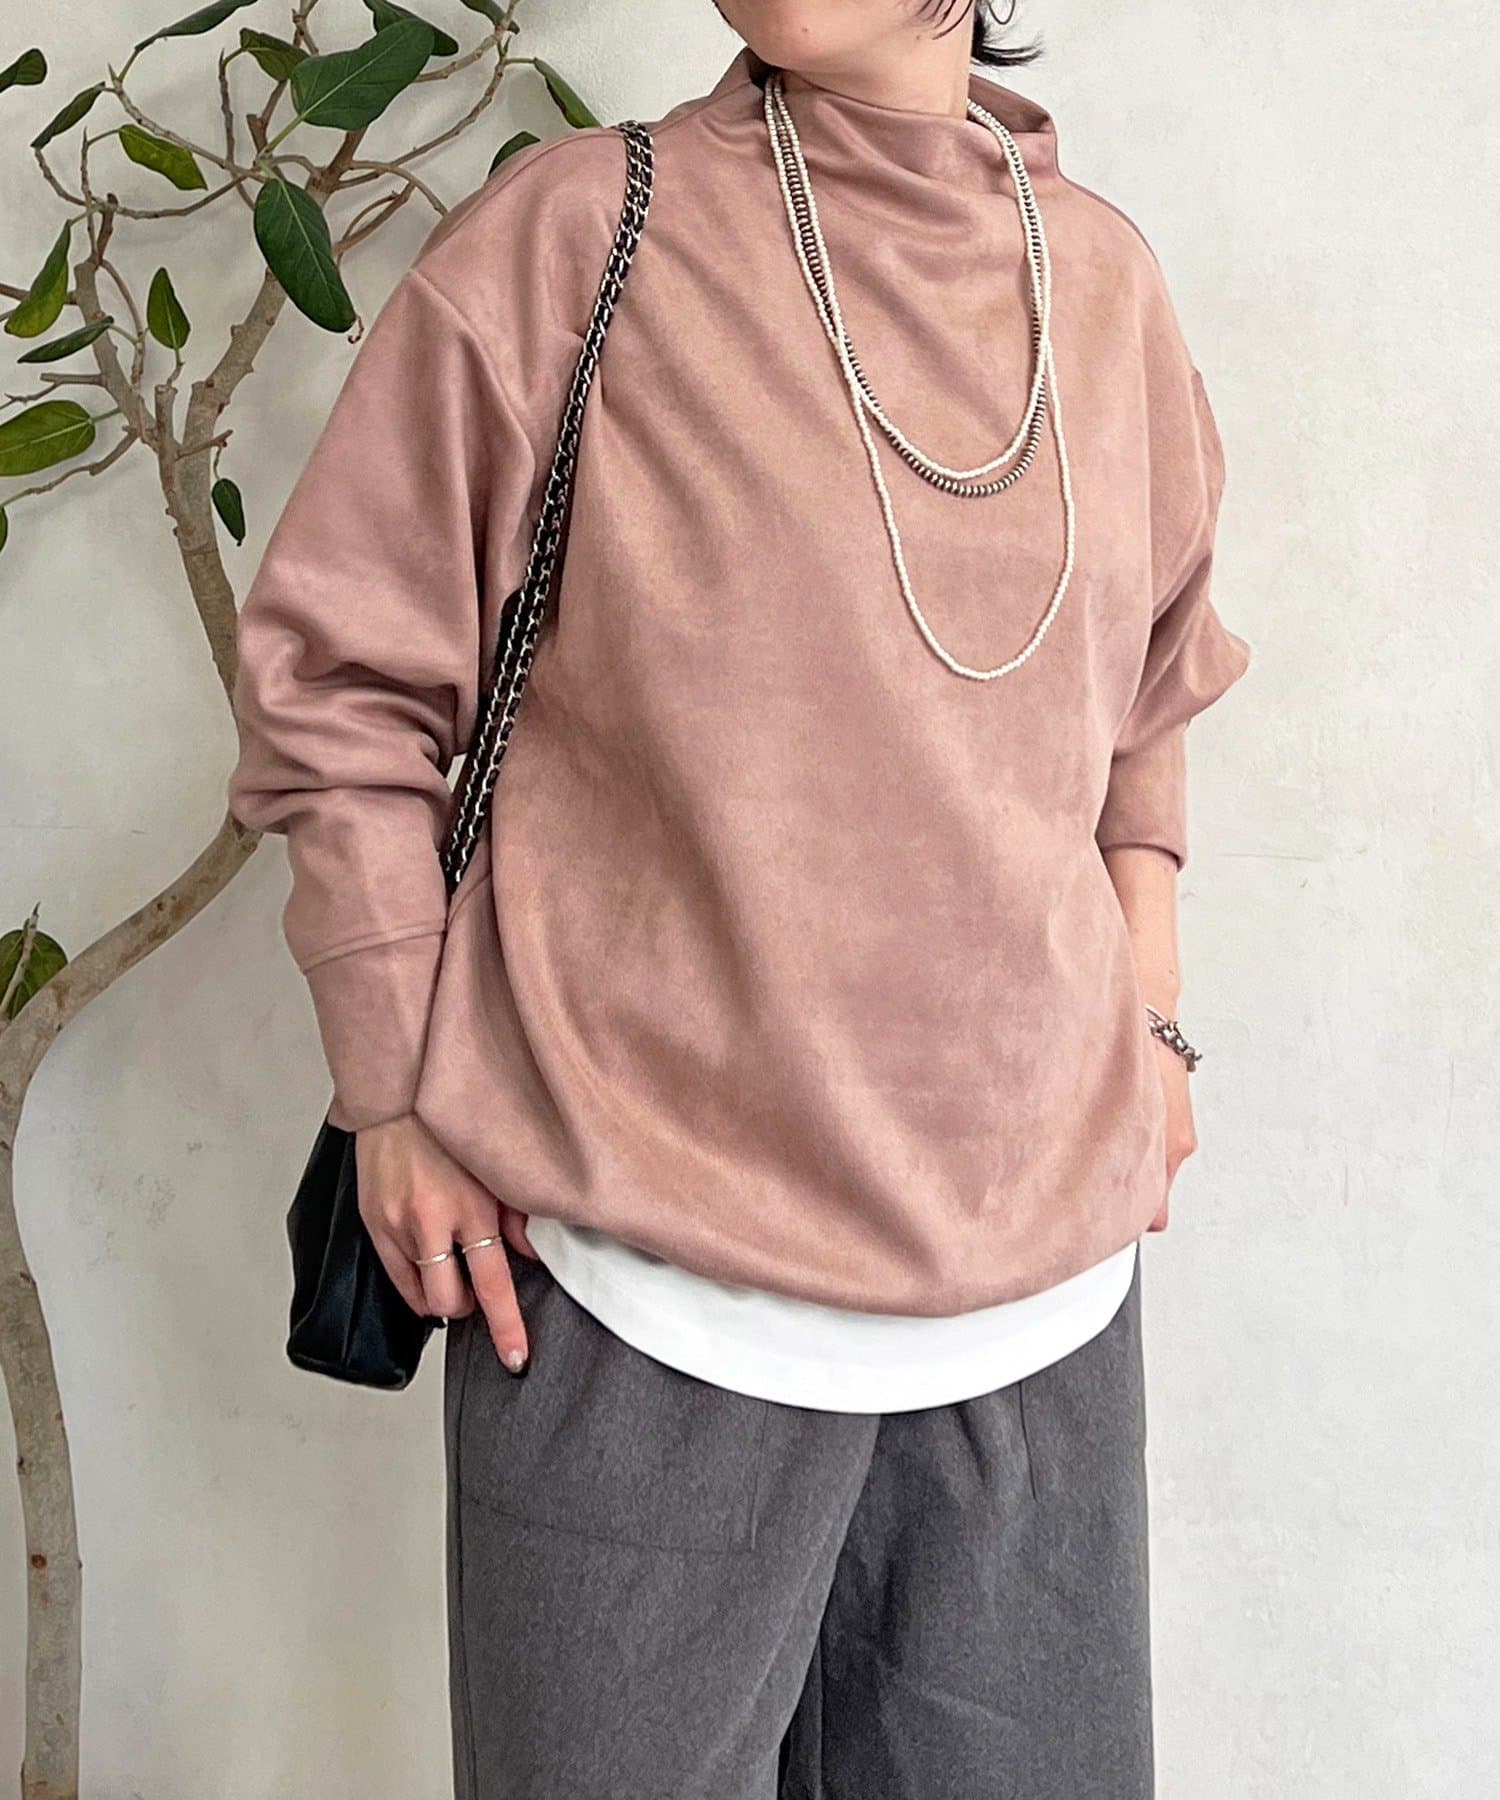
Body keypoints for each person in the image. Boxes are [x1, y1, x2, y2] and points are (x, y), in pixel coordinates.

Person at [228, 0, 1250, 1793]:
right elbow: (340, 683)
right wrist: (392, 1084)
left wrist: (1150, 1023)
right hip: (639, 1286)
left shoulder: (1102, 285)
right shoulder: (581, 240)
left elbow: (1145, 704)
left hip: (1041, 1312)